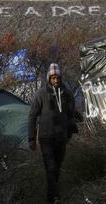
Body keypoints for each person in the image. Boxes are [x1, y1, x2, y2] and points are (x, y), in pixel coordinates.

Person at [28, 63, 78, 203]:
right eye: (53, 78)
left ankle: (51, 198)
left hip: (61, 137)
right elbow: (32, 115)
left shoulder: (67, 94)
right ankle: (55, 197)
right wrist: (31, 138)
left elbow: (71, 115)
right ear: (49, 78)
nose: (55, 80)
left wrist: (69, 134)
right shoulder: (41, 94)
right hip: (45, 137)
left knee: (57, 167)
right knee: (50, 167)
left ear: (60, 78)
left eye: (57, 77)